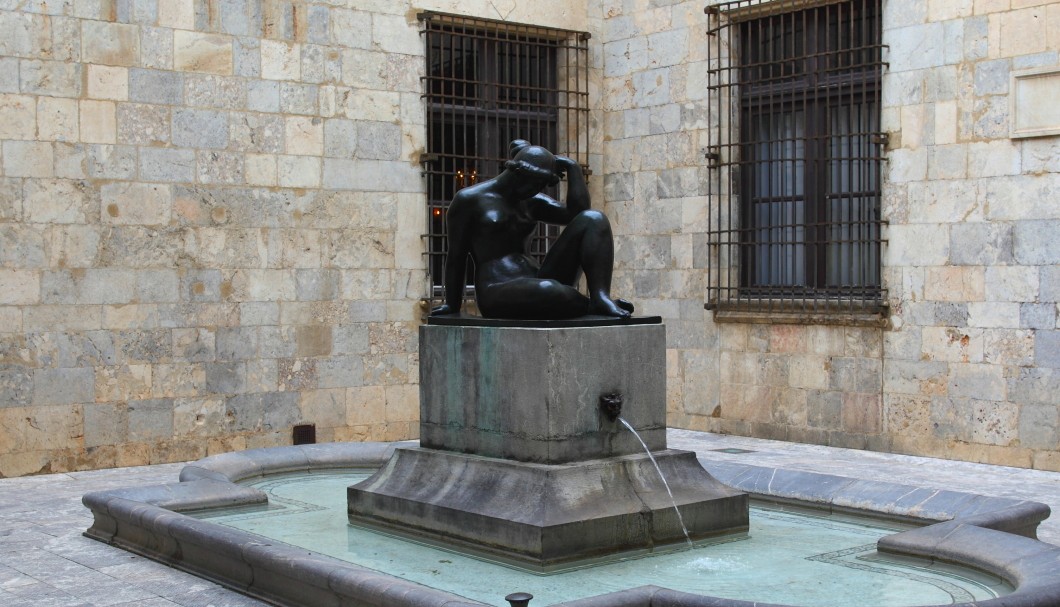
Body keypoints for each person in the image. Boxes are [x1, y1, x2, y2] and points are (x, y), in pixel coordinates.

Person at [431, 140, 633, 320]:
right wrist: (451, 304)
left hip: (537, 278)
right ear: (518, 173)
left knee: (594, 219)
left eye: (542, 185)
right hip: (497, 290)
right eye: (535, 184)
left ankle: (600, 296)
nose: (537, 190)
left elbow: (577, 213)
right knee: (548, 289)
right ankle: (590, 305)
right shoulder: (469, 200)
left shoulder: (531, 201)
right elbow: (456, 256)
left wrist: (573, 169)